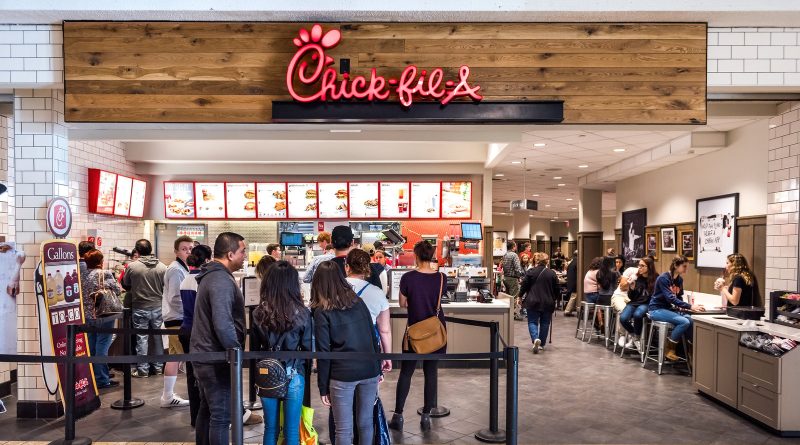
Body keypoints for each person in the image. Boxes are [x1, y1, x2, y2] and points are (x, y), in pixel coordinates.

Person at [312, 261, 382, 445]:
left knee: (343, 429)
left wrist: (323, 387)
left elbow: (324, 352)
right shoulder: (358, 301)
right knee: (366, 423)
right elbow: (372, 337)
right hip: (369, 369)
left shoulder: (322, 311)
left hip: (342, 374)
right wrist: (378, 368)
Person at [191, 232, 247, 445]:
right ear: (230, 254)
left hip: (205, 354)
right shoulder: (220, 280)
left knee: (208, 410)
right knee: (221, 416)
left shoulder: (213, 275)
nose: (245, 256)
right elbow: (223, 323)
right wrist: (235, 351)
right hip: (215, 358)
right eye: (242, 251)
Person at [253, 261, 313, 445]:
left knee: (270, 428)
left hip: (267, 374)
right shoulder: (303, 313)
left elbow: (254, 350)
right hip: (294, 373)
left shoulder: (258, 313)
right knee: (291, 430)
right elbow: (307, 349)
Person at [390, 240, 446, 433]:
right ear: (431, 256)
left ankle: (398, 416)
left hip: (414, 331)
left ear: (415, 255)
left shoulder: (408, 277)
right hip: (436, 331)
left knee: (406, 372)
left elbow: (402, 303)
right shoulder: (441, 278)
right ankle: (426, 417)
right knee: (431, 373)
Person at [178, 244, 213, 428]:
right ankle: (206, 418)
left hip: (186, 329)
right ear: (207, 259)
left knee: (192, 376)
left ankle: (196, 418)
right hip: (199, 332)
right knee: (205, 376)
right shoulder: (202, 281)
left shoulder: (186, 279)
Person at [122, 239, 167, 378]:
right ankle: (158, 367)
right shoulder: (162, 267)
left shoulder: (132, 266)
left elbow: (126, 284)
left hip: (140, 307)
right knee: (157, 338)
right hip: (158, 307)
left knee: (142, 338)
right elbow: (165, 286)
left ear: (137, 250)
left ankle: (143, 370)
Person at [648, 256, 705, 361]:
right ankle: (669, 348)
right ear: (675, 265)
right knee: (684, 322)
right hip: (656, 309)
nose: (686, 269)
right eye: (684, 266)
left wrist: (686, 308)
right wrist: (690, 306)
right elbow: (670, 298)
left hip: (669, 309)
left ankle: (691, 352)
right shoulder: (663, 278)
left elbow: (678, 297)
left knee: (691, 320)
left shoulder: (679, 280)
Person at [346, 249, 392, 374]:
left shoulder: (334, 289)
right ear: (367, 268)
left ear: (347, 267)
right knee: (369, 385)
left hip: (340, 352)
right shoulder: (377, 292)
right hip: (369, 350)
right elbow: (384, 330)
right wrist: (387, 356)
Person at [160, 235, 193, 408]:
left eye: (190, 248)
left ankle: (168, 395)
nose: (188, 252)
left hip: (178, 317)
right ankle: (167, 396)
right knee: (175, 357)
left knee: (176, 357)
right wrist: (191, 308)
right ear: (176, 251)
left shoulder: (182, 267)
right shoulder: (175, 269)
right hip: (176, 318)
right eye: (184, 249)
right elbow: (175, 297)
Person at [82, 249, 121, 389]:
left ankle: (93, 377)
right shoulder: (105, 273)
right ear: (100, 261)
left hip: (87, 315)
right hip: (103, 315)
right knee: (102, 345)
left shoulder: (82, 274)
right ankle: (102, 380)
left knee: (92, 346)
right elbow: (117, 290)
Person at [519, 252, 559, 354]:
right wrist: (554, 298)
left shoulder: (531, 272)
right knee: (545, 323)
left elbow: (524, 285)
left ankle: (535, 339)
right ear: (547, 261)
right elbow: (557, 289)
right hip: (548, 302)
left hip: (533, 301)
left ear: (537, 261)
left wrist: (520, 296)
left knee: (532, 322)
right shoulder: (552, 273)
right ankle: (541, 344)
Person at [329, 225, 384, 290]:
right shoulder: (368, 267)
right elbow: (378, 292)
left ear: (331, 242)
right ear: (352, 242)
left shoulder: (326, 268)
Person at [618, 257, 657, 351]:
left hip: (647, 303)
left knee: (638, 314)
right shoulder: (636, 277)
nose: (639, 268)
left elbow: (655, 295)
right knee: (623, 318)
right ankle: (635, 337)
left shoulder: (656, 278)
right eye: (639, 265)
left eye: (642, 266)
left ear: (649, 267)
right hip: (634, 302)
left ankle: (636, 337)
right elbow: (631, 297)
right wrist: (631, 288)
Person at [501, 241, 525, 320]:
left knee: (508, 297)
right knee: (514, 297)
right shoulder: (514, 255)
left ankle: (509, 313)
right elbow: (517, 268)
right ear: (513, 247)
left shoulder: (505, 255)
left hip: (506, 278)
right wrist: (520, 276)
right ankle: (513, 314)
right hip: (512, 278)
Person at [563, 251, 579, 316]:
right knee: (573, 296)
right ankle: (567, 311)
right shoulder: (577, 262)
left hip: (570, 282)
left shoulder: (571, 262)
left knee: (573, 296)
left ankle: (569, 310)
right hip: (574, 282)